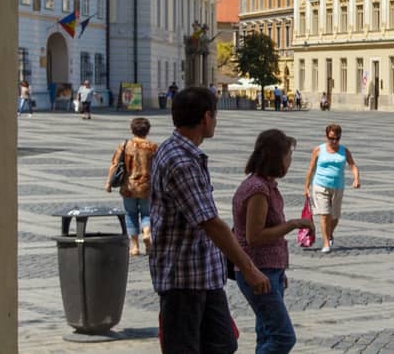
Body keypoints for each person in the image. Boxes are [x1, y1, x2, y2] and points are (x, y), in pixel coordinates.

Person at [149, 86, 269, 354]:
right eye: (215, 115)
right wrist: (249, 269)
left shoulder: (180, 152)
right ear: (206, 117)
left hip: (203, 275)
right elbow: (210, 223)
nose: (215, 121)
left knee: (223, 344)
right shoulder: (181, 161)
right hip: (184, 279)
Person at [233, 129, 313, 354]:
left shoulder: (266, 185)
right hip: (258, 272)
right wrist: (294, 224)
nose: (290, 161)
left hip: (271, 270)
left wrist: (279, 270)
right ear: (276, 157)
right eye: (288, 156)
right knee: (283, 336)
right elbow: (254, 236)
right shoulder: (257, 189)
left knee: (266, 333)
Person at [302, 123, 361, 253]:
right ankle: (326, 243)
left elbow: (353, 165)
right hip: (320, 185)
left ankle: (329, 234)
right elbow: (311, 169)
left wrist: (356, 179)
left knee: (334, 216)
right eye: (331, 138)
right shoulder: (318, 150)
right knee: (324, 215)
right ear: (326, 136)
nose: (334, 141)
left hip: (338, 186)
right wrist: (306, 187)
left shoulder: (344, 150)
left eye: (337, 138)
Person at [105, 116, 159, 256]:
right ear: (148, 131)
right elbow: (159, 167)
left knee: (131, 214)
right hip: (147, 187)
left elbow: (114, 164)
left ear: (131, 129)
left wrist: (108, 183)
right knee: (148, 213)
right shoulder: (153, 147)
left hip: (128, 187)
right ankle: (147, 233)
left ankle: (134, 246)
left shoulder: (125, 145)